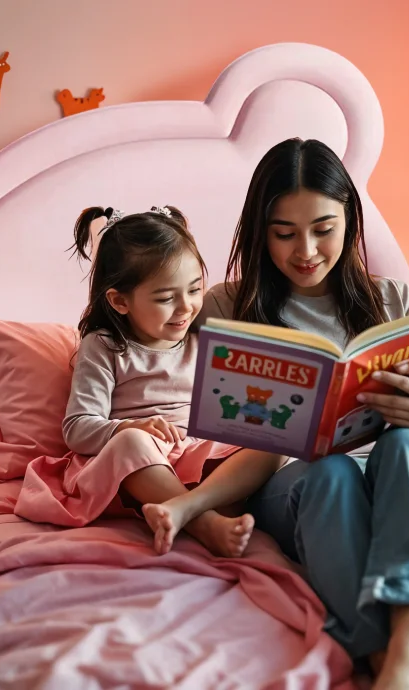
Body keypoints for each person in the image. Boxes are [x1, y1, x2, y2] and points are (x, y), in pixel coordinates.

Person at [196, 139, 409, 690]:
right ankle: (400, 662)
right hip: (303, 487)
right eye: (284, 233)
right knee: (330, 470)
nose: (305, 249)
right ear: (259, 230)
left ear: (351, 219)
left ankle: (408, 655)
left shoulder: (393, 300)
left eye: (323, 228)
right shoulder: (226, 307)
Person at [64, 205, 284, 557]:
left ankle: (189, 507)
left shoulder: (203, 340)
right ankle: (205, 524)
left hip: (197, 455)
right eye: (166, 298)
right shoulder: (104, 347)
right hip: (140, 467)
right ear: (120, 301)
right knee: (133, 443)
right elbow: (77, 427)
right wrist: (126, 427)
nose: (186, 307)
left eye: (195, 290)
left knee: (275, 440)